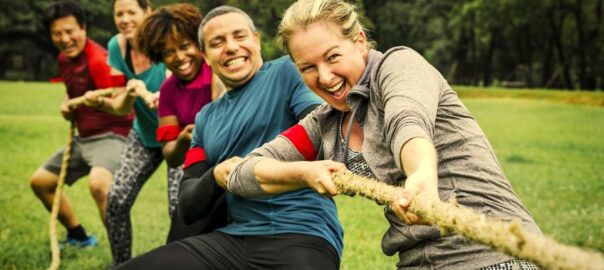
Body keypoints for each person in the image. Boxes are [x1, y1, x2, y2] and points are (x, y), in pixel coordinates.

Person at [227, 0, 544, 269]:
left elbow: (407, 121)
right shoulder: (322, 125)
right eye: (307, 67)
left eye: (333, 56)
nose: (324, 76)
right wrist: (305, 172)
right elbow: (243, 173)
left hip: (492, 254)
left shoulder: (399, 67)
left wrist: (420, 174)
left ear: (360, 41)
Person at [114, 6, 343, 270]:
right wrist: (215, 177)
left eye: (239, 36)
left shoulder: (286, 73)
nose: (231, 47)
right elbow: (188, 205)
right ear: (206, 56)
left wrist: (259, 168)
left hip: (302, 233)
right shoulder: (205, 119)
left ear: (256, 40)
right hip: (231, 241)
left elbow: (322, 131)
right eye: (217, 42)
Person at [30, 0, 133, 249]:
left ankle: (122, 258)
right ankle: (79, 237)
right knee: (40, 182)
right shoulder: (64, 59)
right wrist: (68, 104)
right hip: (83, 138)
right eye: (58, 33)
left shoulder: (100, 59)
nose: (65, 39)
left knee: (98, 184)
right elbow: (74, 92)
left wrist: (98, 102)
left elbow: (124, 104)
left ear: (83, 28)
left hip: (112, 135)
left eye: (70, 31)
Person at [135, 3, 224, 242]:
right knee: (180, 237)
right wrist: (185, 139)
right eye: (168, 52)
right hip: (199, 168)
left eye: (185, 46)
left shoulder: (218, 68)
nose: (180, 57)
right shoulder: (168, 91)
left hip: (233, 166)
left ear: (199, 43)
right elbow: (171, 156)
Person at [99, 0, 171, 266]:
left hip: (180, 136)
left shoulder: (166, 40)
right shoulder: (117, 47)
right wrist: (129, 94)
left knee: (179, 207)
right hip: (145, 135)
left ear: (147, 13)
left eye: (132, 12)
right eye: (119, 13)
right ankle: (122, 265)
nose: (125, 19)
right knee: (116, 200)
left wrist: (163, 97)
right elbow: (119, 106)